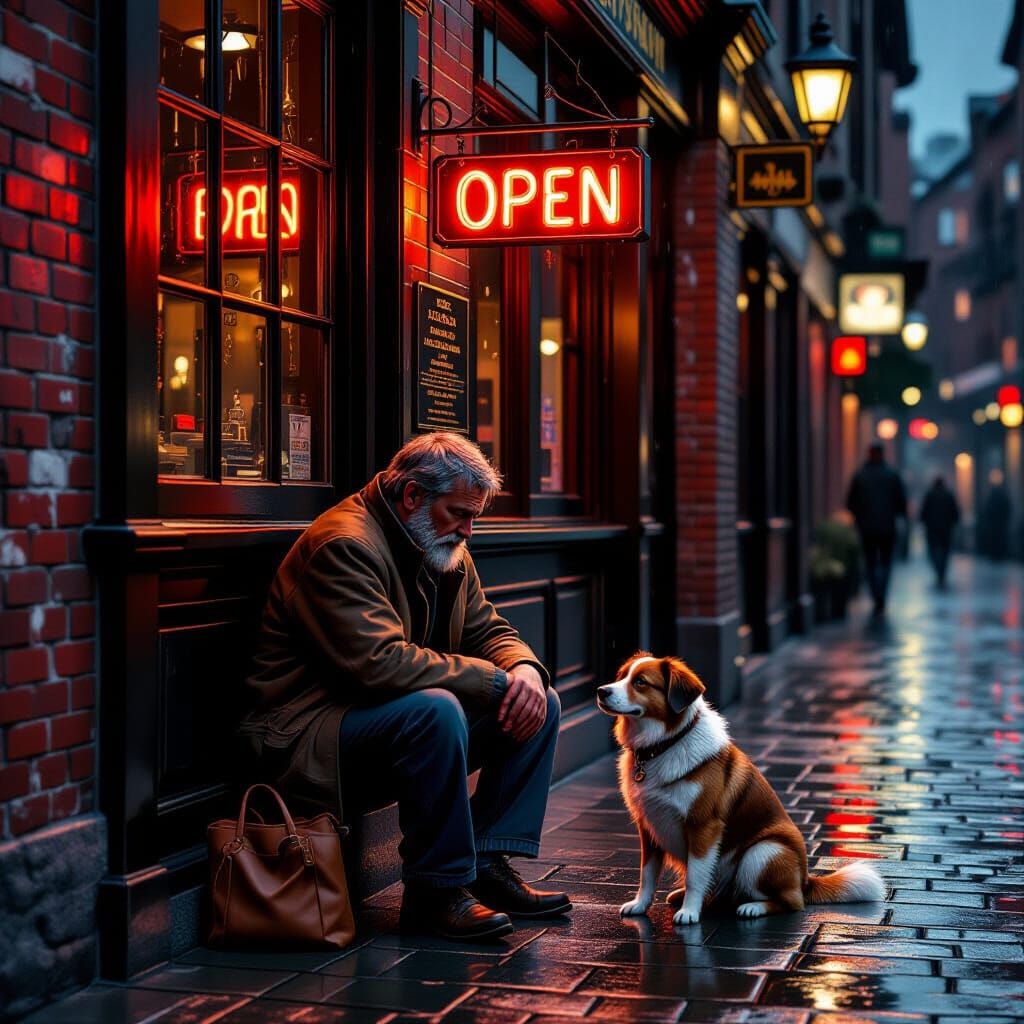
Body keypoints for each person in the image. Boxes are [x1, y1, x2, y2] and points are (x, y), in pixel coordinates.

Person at [239, 433, 569, 942]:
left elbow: (487, 628)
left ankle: (485, 864)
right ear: (412, 495)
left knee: (539, 701)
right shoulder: (344, 545)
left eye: (473, 515)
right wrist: (494, 680)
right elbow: (379, 664)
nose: (469, 529)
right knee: (435, 711)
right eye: (460, 513)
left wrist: (523, 668)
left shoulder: (441, 540)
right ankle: (436, 892)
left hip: (373, 716)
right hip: (306, 731)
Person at [846, 443, 908, 616]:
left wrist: (860, 516)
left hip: (867, 528)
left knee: (871, 562)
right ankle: (881, 596)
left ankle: (876, 596)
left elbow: (850, 503)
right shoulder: (892, 475)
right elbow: (901, 503)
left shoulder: (860, 476)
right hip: (887, 527)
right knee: (886, 563)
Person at [919, 475, 959, 588]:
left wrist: (924, 522)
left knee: (933, 551)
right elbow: (955, 512)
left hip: (932, 529)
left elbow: (923, 513)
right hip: (946, 529)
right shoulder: (949, 495)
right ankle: (942, 571)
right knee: (945, 551)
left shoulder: (929, 495)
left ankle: (938, 569)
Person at [979, 469, 1012, 561]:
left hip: (995, 523)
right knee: (999, 539)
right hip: (999, 523)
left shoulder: (993, 496)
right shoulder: (1002, 495)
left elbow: (988, 509)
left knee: (995, 539)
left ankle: (995, 554)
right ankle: (998, 554)